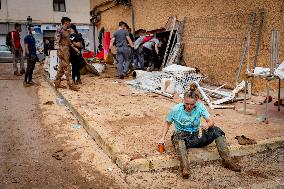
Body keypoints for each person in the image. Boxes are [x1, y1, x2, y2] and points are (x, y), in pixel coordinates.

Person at [159, 83, 241, 179]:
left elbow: (211, 121)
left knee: (216, 130)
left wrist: (207, 125)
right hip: (183, 138)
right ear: (183, 101)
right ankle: (185, 168)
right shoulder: (176, 109)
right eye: (187, 104)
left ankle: (227, 161)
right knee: (177, 136)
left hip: (196, 137)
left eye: (192, 104)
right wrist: (162, 138)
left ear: (196, 102)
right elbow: (167, 123)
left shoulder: (200, 107)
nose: (189, 107)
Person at [54, 17, 79, 91]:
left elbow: (69, 42)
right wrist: (59, 51)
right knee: (68, 68)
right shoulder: (59, 30)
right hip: (63, 51)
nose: (69, 24)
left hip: (66, 50)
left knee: (61, 68)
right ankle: (71, 85)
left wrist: (75, 49)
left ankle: (57, 83)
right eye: (69, 22)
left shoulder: (67, 31)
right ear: (65, 22)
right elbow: (56, 41)